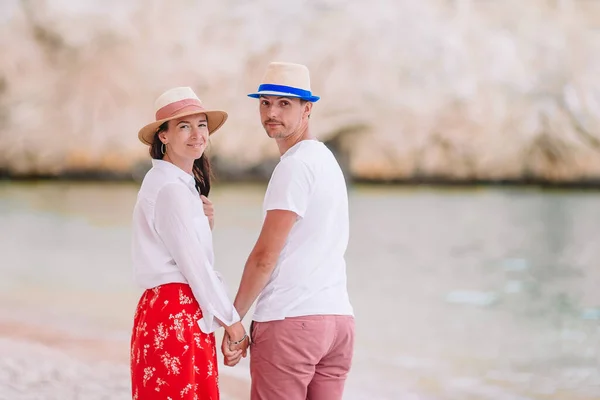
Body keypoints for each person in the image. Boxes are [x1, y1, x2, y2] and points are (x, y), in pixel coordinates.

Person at [225, 62, 355, 400]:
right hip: (338, 322)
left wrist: (232, 320)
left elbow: (265, 256)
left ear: (307, 109)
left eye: (285, 104)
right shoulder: (326, 161)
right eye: (265, 102)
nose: (272, 112)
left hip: (291, 321)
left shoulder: (294, 167)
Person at [131, 86, 248, 399]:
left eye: (202, 125)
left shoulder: (173, 185)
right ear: (163, 136)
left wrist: (204, 224)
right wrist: (231, 321)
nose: (197, 134)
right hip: (177, 312)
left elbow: (181, 250)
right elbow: (195, 266)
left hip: (167, 309)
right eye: (184, 126)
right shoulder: (171, 188)